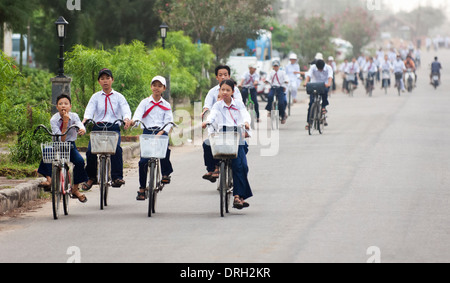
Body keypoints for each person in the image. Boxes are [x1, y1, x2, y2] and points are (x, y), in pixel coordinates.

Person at [202, 79, 253, 209]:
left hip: (237, 134)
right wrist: (207, 122)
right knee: (209, 145)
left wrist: (246, 123)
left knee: (241, 166)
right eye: (222, 90)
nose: (224, 92)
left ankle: (238, 196)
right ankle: (215, 169)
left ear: (232, 92)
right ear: (219, 91)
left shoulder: (238, 104)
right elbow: (212, 116)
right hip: (222, 134)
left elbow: (245, 115)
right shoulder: (217, 105)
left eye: (227, 90)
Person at [82, 68, 132, 190]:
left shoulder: (119, 97)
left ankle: (116, 177)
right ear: (99, 81)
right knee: (90, 151)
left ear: (112, 80)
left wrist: (126, 119)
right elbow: (89, 111)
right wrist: (85, 120)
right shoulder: (95, 97)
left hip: (113, 126)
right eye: (102, 79)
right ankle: (91, 177)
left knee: (117, 150)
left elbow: (125, 109)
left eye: (107, 78)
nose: (105, 81)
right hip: (98, 127)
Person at [37, 94, 89, 203]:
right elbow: (61, 139)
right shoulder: (54, 119)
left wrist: (82, 130)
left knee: (79, 161)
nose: (63, 106)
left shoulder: (74, 116)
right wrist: (65, 122)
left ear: (70, 106)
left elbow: (80, 125)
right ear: (57, 107)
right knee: (47, 152)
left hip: (70, 146)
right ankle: (49, 180)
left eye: (66, 103)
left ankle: (75, 189)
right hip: (58, 145)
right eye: (60, 104)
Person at [132, 76, 174, 201]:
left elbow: (169, 122)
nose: (156, 88)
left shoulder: (166, 105)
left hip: (161, 132)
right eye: (154, 85)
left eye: (159, 86)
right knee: (143, 162)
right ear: (151, 87)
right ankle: (142, 188)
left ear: (164, 88)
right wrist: (134, 121)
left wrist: (161, 132)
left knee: (164, 151)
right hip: (148, 132)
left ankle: (165, 174)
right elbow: (138, 115)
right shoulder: (145, 102)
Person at [304, 59, 333, 130]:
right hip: (314, 85)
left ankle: (323, 107)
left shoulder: (328, 68)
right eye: (319, 69)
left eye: (321, 69)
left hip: (324, 85)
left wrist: (329, 84)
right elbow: (308, 75)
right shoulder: (313, 67)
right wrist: (306, 82)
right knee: (311, 103)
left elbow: (330, 77)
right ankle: (309, 123)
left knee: (325, 92)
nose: (320, 70)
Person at [265, 60, 289, 124]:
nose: (275, 67)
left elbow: (286, 78)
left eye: (277, 66)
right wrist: (267, 81)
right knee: (270, 96)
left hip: (280, 88)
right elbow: (268, 78)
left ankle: (283, 115)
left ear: (279, 66)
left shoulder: (282, 72)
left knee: (281, 103)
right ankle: (269, 110)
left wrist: (286, 81)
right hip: (273, 87)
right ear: (273, 66)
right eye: (274, 66)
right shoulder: (271, 72)